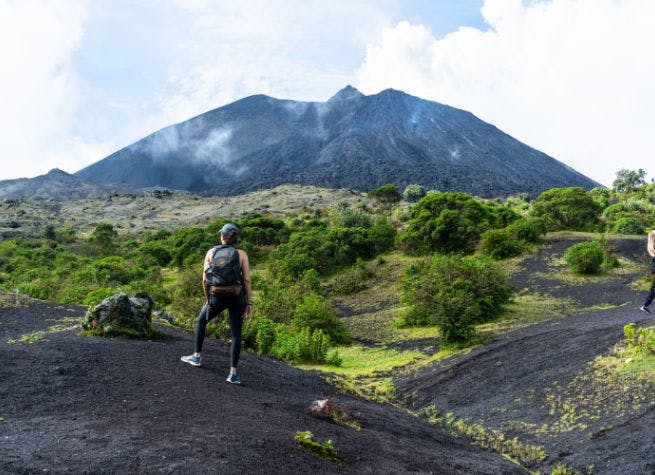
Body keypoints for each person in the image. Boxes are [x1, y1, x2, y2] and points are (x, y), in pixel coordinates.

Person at [181, 223, 252, 384]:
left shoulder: (211, 252)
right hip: (236, 296)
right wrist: (249, 304)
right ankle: (233, 374)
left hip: (216, 296)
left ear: (222, 236)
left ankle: (197, 357)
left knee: (201, 321)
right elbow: (246, 280)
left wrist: (208, 300)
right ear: (236, 238)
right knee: (236, 334)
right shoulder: (241, 254)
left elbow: (205, 280)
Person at [640, 229, 655, 314]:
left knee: (653, 288)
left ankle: (645, 306)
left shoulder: (650, 245)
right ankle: (645, 305)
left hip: (653, 268)